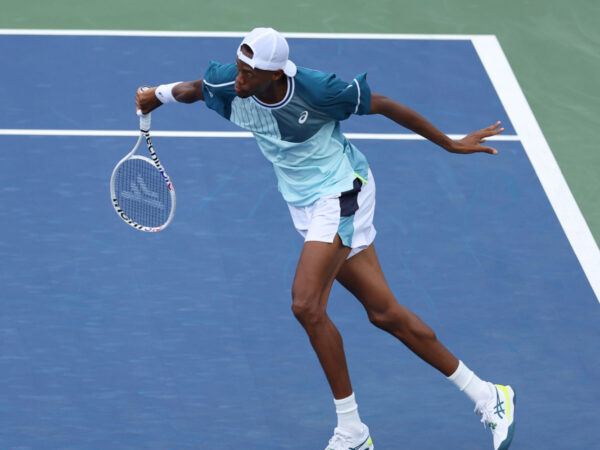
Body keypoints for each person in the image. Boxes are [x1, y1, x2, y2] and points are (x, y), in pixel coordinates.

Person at [136, 27, 516, 450]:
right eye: (239, 68)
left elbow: (385, 104)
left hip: (341, 192)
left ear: (276, 74)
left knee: (305, 304)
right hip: (302, 203)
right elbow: (196, 88)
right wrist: (157, 94)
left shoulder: (318, 90)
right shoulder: (231, 83)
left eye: (249, 73)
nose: (239, 79)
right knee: (384, 313)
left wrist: (449, 143)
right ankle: (488, 394)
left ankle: (352, 432)